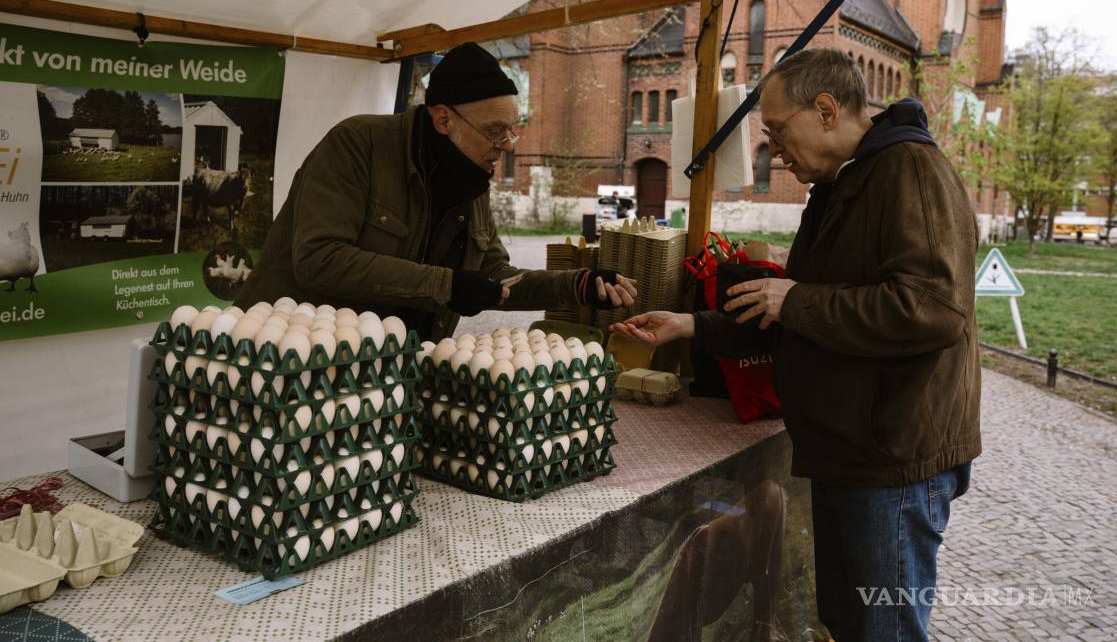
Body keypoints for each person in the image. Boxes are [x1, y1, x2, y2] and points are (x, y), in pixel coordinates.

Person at [610, 48, 980, 642]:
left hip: (893, 460)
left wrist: (796, 300)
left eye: (780, 131)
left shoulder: (910, 170)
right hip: (850, 451)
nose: (775, 150)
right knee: (847, 623)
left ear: (827, 109)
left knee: (881, 629)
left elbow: (934, 310)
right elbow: (792, 310)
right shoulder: (840, 185)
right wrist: (691, 326)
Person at [235, 42, 637, 340]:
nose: (509, 145)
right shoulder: (357, 144)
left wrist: (575, 285)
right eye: (496, 132)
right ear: (444, 119)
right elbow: (319, 258)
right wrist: (447, 285)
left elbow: (494, 278)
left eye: (513, 130)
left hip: (388, 369)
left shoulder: (470, 175)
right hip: (288, 352)